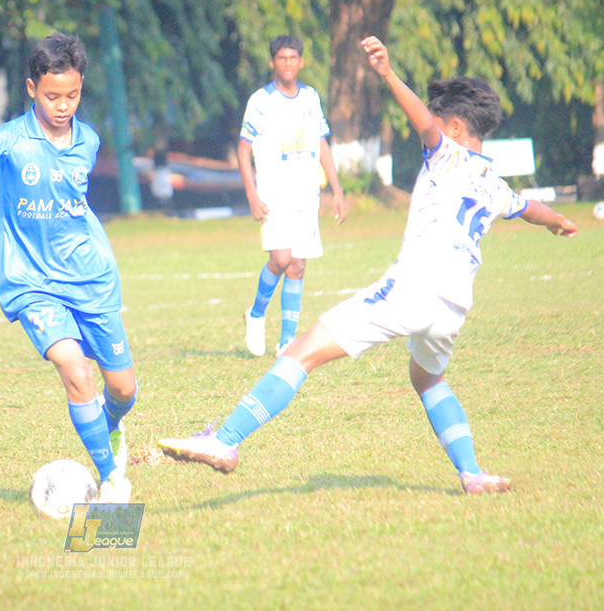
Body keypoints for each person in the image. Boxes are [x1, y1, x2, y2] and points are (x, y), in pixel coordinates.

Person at [159, 36, 578, 495]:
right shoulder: (494, 184)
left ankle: (225, 441)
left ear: (455, 127)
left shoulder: (446, 154)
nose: (430, 129)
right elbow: (528, 208)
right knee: (429, 378)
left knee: (302, 351)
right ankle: (472, 473)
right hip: (454, 306)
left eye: (439, 123)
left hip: (414, 288)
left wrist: (388, 74)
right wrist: (556, 219)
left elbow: (422, 122)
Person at [0, 33, 137, 503]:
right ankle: (111, 480)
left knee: (122, 388)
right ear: (30, 88)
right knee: (75, 369)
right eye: (52, 96)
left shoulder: (89, 140)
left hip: (92, 277)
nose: (63, 106)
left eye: (73, 95)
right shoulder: (5, 143)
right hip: (31, 282)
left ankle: (112, 427)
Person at [238, 34, 348, 359]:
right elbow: (243, 151)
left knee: (298, 265)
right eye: (281, 58)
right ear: (273, 62)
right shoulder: (260, 101)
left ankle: (287, 343)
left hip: (306, 195)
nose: (287, 64)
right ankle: (256, 314)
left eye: (293, 58)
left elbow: (322, 145)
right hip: (274, 195)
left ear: (301, 62)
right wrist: (252, 195)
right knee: (281, 258)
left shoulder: (311, 98)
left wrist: (337, 191)